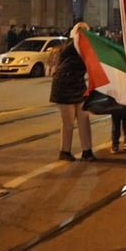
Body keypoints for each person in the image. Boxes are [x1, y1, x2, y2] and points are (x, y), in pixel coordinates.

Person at [49, 22, 95, 162]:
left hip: (77, 84)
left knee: (83, 118)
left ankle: (86, 151)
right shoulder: (74, 45)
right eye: (81, 32)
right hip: (64, 86)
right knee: (68, 121)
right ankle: (65, 151)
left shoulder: (79, 45)